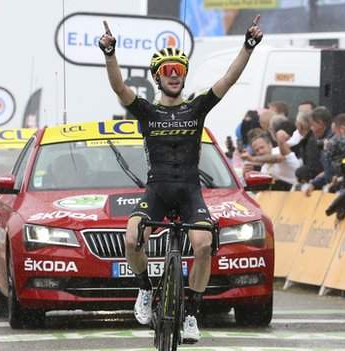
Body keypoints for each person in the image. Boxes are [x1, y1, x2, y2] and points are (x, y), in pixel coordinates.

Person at [98, 16, 263, 343]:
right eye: (167, 72)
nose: (175, 76)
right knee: (131, 238)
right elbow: (119, 86)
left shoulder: (197, 107)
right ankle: (145, 290)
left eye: (179, 70)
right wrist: (110, 53)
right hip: (157, 189)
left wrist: (248, 46)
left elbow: (229, 79)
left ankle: (191, 313)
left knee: (203, 246)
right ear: (158, 79)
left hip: (190, 191)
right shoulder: (146, 110)